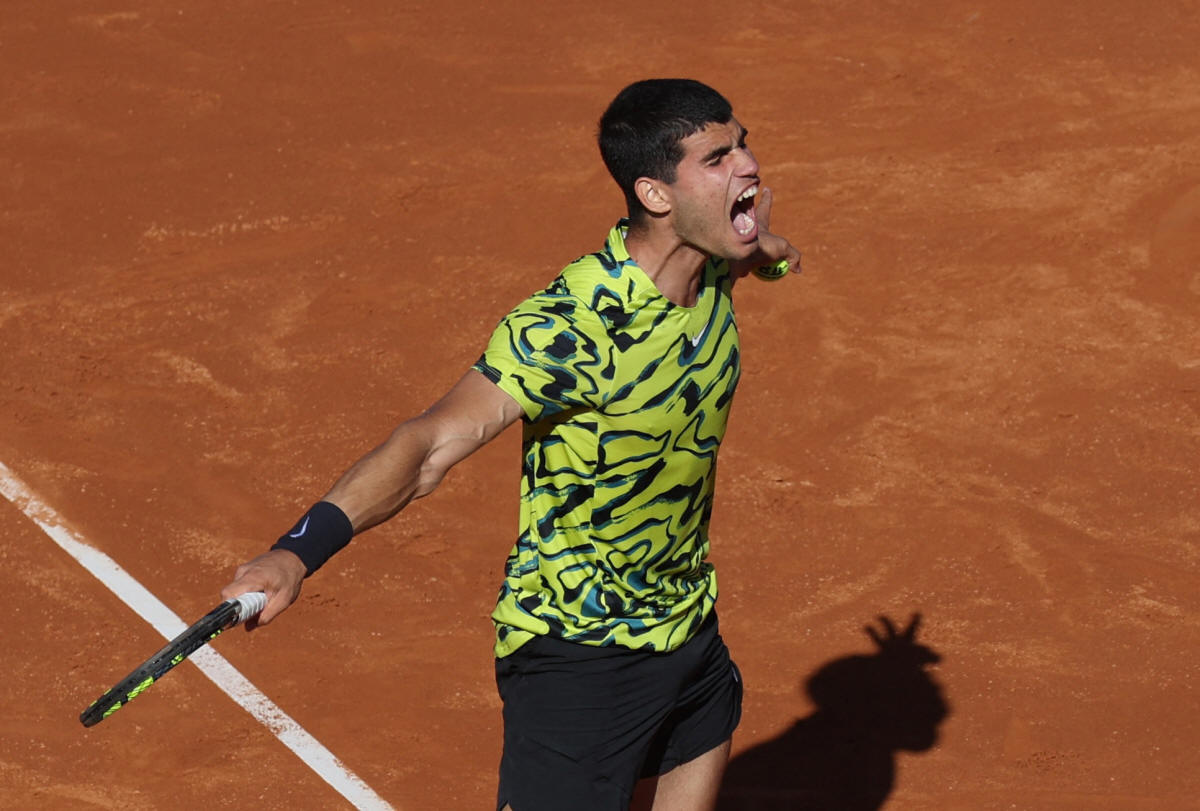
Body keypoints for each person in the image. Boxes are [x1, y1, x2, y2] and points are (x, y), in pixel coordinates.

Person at [221, 78, 801, 811]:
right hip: (579, 659)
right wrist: (295, 552)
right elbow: (428, 445)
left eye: (742, 144)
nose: (747, 164)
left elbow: (760, 254)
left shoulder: (710, 264)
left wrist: (768, 253)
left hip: (687, 630)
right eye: (717, 159)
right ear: (656, 195)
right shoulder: (572, 325)